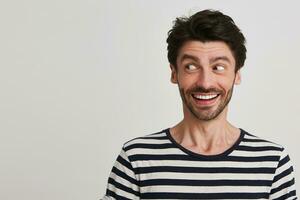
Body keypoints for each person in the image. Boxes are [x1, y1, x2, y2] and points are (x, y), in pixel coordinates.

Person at [102, 9, 297, 199]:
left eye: (218, 67)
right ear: (174, 73)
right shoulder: (136, 159)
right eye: (191, 66)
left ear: (237, 74)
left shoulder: (272, 162)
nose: (205, 83)